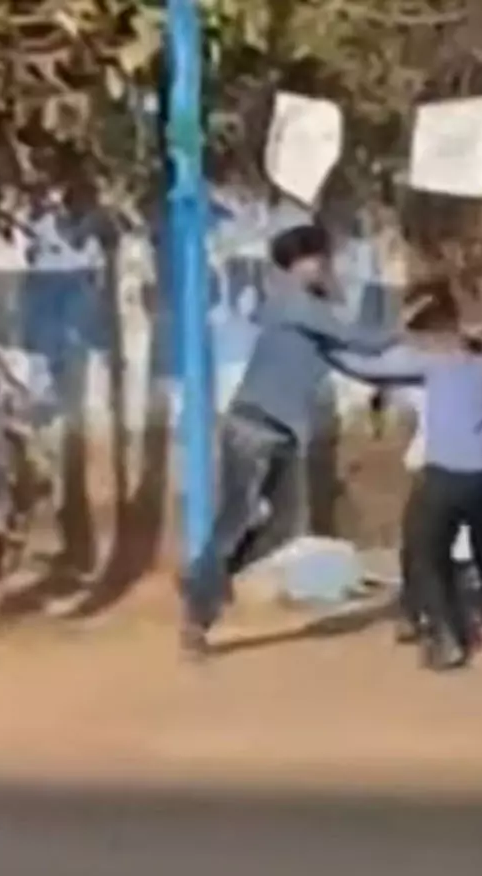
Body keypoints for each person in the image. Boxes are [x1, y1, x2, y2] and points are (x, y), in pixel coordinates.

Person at [181, 224, 398, 660]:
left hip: (279, 433)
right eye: (320, 260)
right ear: (300, 264)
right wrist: (407, 328)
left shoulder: (308, 312)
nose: (327, 267)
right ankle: (199, 603)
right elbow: (362, 340)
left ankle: (209, 582)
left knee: (282, 526)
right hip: (255, 428)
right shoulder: (295, 304)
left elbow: (354, 357)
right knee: (235, 522)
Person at [329, 289, 482, 672]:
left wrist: (321, 347)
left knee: (424, 555)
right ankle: (462, 627)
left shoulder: (436, 363)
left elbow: (366, 367)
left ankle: (445, 636)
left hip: (446, 473)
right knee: (441, 553)